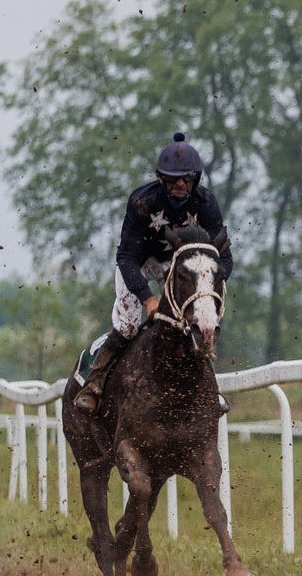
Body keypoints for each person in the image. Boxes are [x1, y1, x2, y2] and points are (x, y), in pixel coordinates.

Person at [68, 133, 236, 413]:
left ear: (196, 179)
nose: (180, 184)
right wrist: (148, 299)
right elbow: (126, 257)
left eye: (187, 178)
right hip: (138, 262)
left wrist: (209, 283)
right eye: (173, 179)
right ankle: (94, 384)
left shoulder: (207, 204)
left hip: (176, 265)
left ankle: (209, 390)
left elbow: (224, 256)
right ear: (161, 179)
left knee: (191, 322)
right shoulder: (141, 202)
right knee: (129, 326)